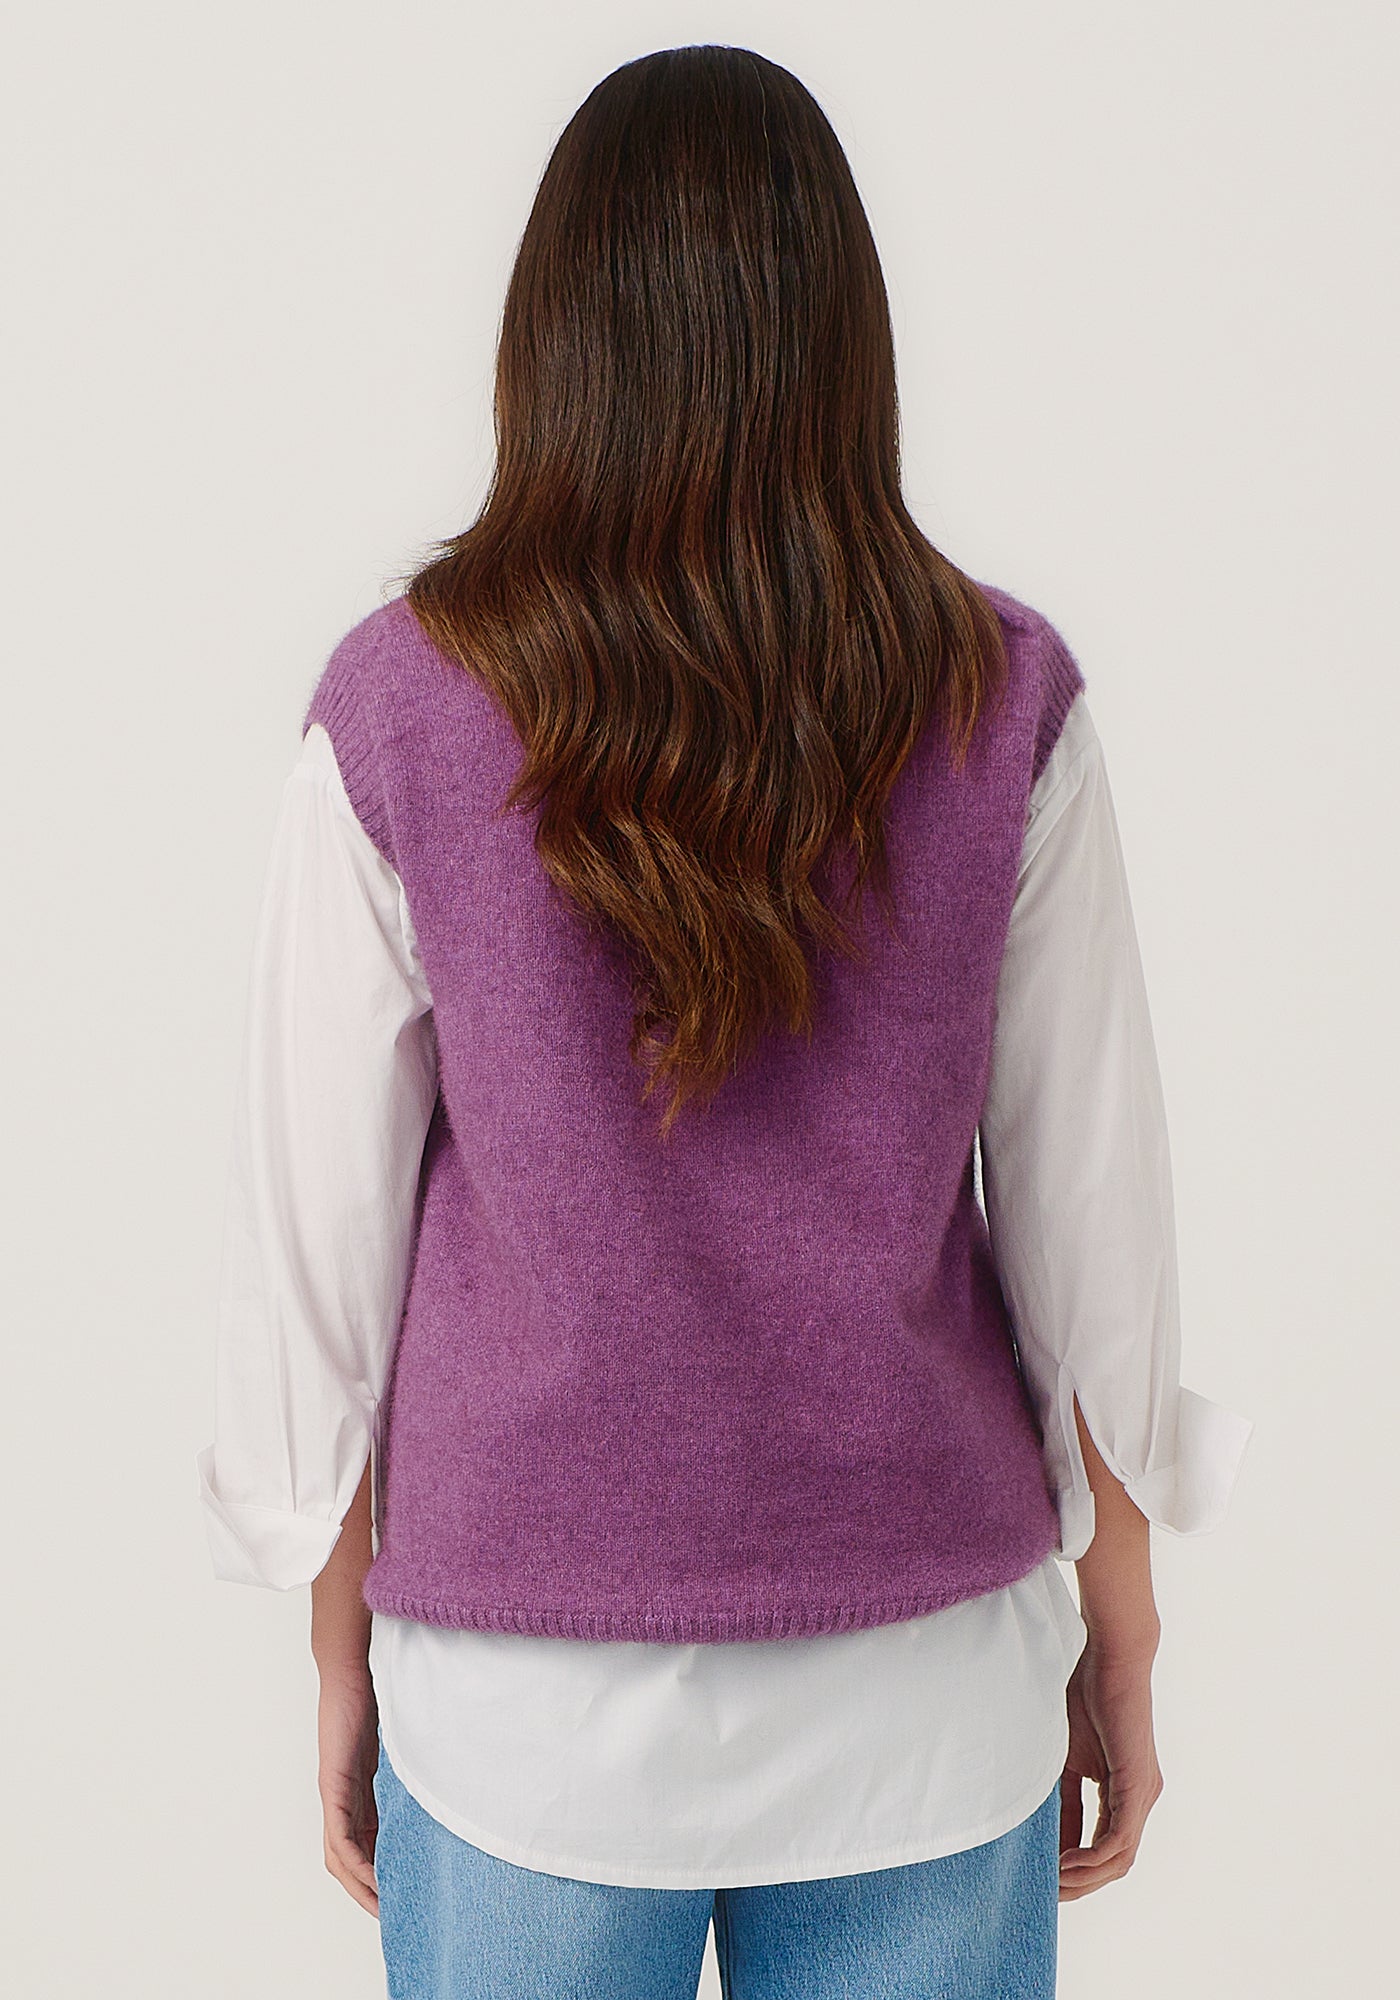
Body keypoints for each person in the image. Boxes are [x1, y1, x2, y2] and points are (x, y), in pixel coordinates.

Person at [196, 43, 1253, 2000]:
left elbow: (314, 1245)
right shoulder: (999, 698)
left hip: (519, 1708)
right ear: (844, 339)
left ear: (555, 339)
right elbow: (1095, 1221)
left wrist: (337, 1648)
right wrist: (1124, 1616)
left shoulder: (403, 708)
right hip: (920, 1696)